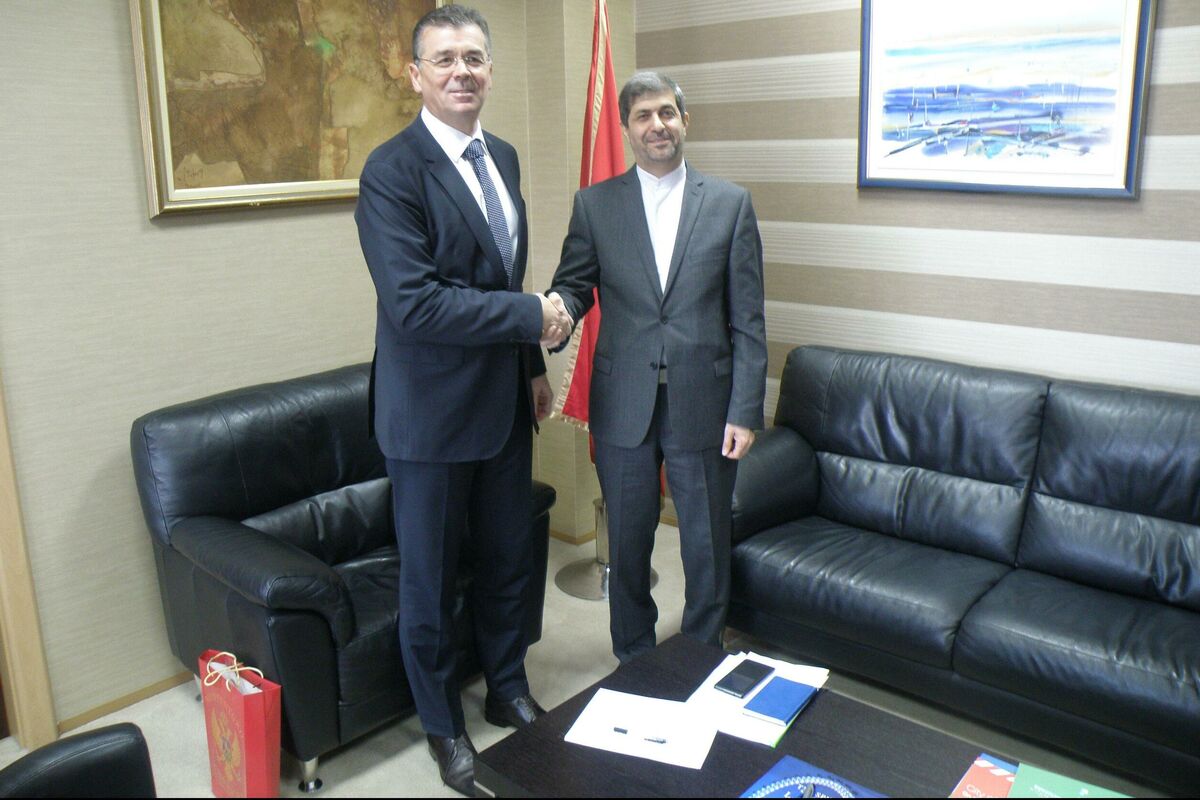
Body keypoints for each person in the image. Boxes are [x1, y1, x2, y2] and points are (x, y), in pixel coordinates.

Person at [354, 5, 570, 796]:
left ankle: (507, 687)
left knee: (510, 560)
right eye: (443, 59)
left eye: (473, 58)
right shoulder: (391, 171)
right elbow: (416, 304)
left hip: (503, 405)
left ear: (490, 69)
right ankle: (444, 726)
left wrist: (531, 366)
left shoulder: (501, 156)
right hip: (430, 420)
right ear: (415, 75)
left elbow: (501, 275)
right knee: (432, 584)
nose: (461, 72)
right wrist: (532, 317)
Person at [547, 71, 768, 664]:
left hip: (706, 403)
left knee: (706, 546)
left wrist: (745, 410)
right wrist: (554, 316)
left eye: (667, 113)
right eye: (643, 116)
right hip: (624, 402)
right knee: (627, 544)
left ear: (685, 120)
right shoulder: (595, 205)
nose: (657, 125)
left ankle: (700, 656)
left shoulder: (729, 204)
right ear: (626, 128)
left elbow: (749, 319)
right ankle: (635, 660)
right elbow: (573, 287)